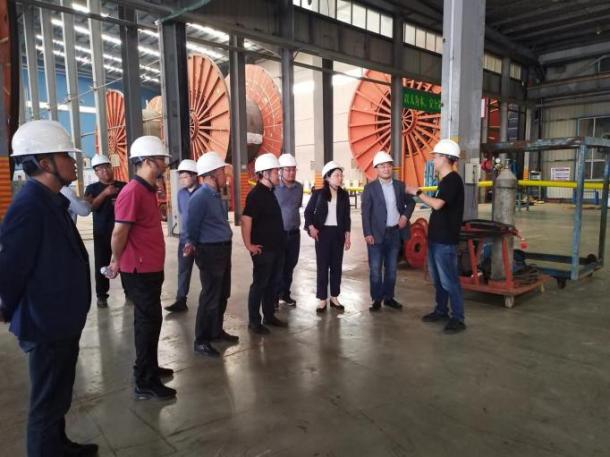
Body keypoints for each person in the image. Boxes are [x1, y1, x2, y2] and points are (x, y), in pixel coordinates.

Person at [0, 120, 98, 456]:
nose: (74, 162)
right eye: (66, 156)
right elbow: (9, 269)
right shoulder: (29, 206)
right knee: (45, 404)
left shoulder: (50, 199)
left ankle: (58, 446)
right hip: (46, 324)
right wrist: (8, 307)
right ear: (45, 163)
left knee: (58, 396)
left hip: (61, 320)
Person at [105, 135, 176, 400]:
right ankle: (144, 380)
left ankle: (150, 368)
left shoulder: (148, 190)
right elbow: (118, 233)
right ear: (147, 161)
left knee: (151, 322)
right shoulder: (132, 192)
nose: (164, 164)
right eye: (161, 159)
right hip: (139, 271)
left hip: (150, 268)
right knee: (148, 323)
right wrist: (116, 260)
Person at [406, 139, 466, 334]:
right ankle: (441, 311)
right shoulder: (444, 181)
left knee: (449, 280)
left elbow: (438, 204)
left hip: (445, 241)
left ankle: (458, 318)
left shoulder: (453, 180)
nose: (433, 160)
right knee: (439, 280)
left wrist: (418, 192)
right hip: (436, 239)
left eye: (436, 157)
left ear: (446, 158)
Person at [185, 152, 239, 357]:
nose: (225, 175)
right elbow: (192, 226)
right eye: (222, 171)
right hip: (210, 251)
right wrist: (191, 243)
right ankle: (201, 340)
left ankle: (216, 331)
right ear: (212, 175)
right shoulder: (199, 198)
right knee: (210, 296)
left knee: (222, 293)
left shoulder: (216, 195)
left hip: (223, 248)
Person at [362, 151, 415, 312]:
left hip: (394, 233)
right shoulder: (370, 188)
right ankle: (376, 299)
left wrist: (405, 216)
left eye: (388, 166)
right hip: (376, 235)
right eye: (382, 166)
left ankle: (389, 297)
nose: (386, 169)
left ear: (392, 167)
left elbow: (411, 203)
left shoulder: (400, 186)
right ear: (376, 169)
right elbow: (365, 212)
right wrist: (367, 233)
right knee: (375, 269)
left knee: (391, 269)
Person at [241, 153, 288, 334]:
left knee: (271, 284)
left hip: (276, 249)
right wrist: (249, 245)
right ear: (265, 173)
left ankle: (268, 316)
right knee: (260, 285)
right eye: (276, 171)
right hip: (263, 251)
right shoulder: (255, 195)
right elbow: (246, 220)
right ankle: (254, 322)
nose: (278, 174)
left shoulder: (270, 193)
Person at [304, 161, 351, 313]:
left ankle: (334, 297)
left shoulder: (344, 194)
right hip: (323, 234)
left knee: (336, 266)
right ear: (327, 178)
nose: (340, 178)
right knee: (323, 267)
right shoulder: (318, 194)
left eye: (341, 175)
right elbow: (308, 212)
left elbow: (347, 217)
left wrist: (347, 236)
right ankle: (322, 299)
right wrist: (311, 227)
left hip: (338, 234)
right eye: (336, 175)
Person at [84, 154, 126, 308]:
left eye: (106, 167)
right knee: (101, 265)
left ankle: (130, 292)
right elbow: (90, 207)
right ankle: (101, 296)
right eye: (100, 169)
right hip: (102, 234)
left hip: (122, 233)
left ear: (111, 167)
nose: (105, 171)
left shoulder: (123, 186)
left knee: (125, 263)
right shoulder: (91, 189)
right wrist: (105, 193)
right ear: (96, 172)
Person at [165, 159, 199, 313]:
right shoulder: (181, 194)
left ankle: (210, 300)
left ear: (194, 176)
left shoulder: (203, 192)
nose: (182, 180)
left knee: (206, 272)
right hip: (185, 240)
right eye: (181, 177)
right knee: (183, 270)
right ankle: (181, 300)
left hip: (201, 241)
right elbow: (183, 215)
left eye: (185, 177)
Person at [274, 154, 303, 307]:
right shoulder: (274, 188)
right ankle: (274, 297)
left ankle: (285, 294)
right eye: (288, 170)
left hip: (294, 233)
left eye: (293, 170)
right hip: (279, 234)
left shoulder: (299, 187)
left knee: (291, 264)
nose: (291, 173)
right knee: (278, 265)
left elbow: (296, 207)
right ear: (280, 171)